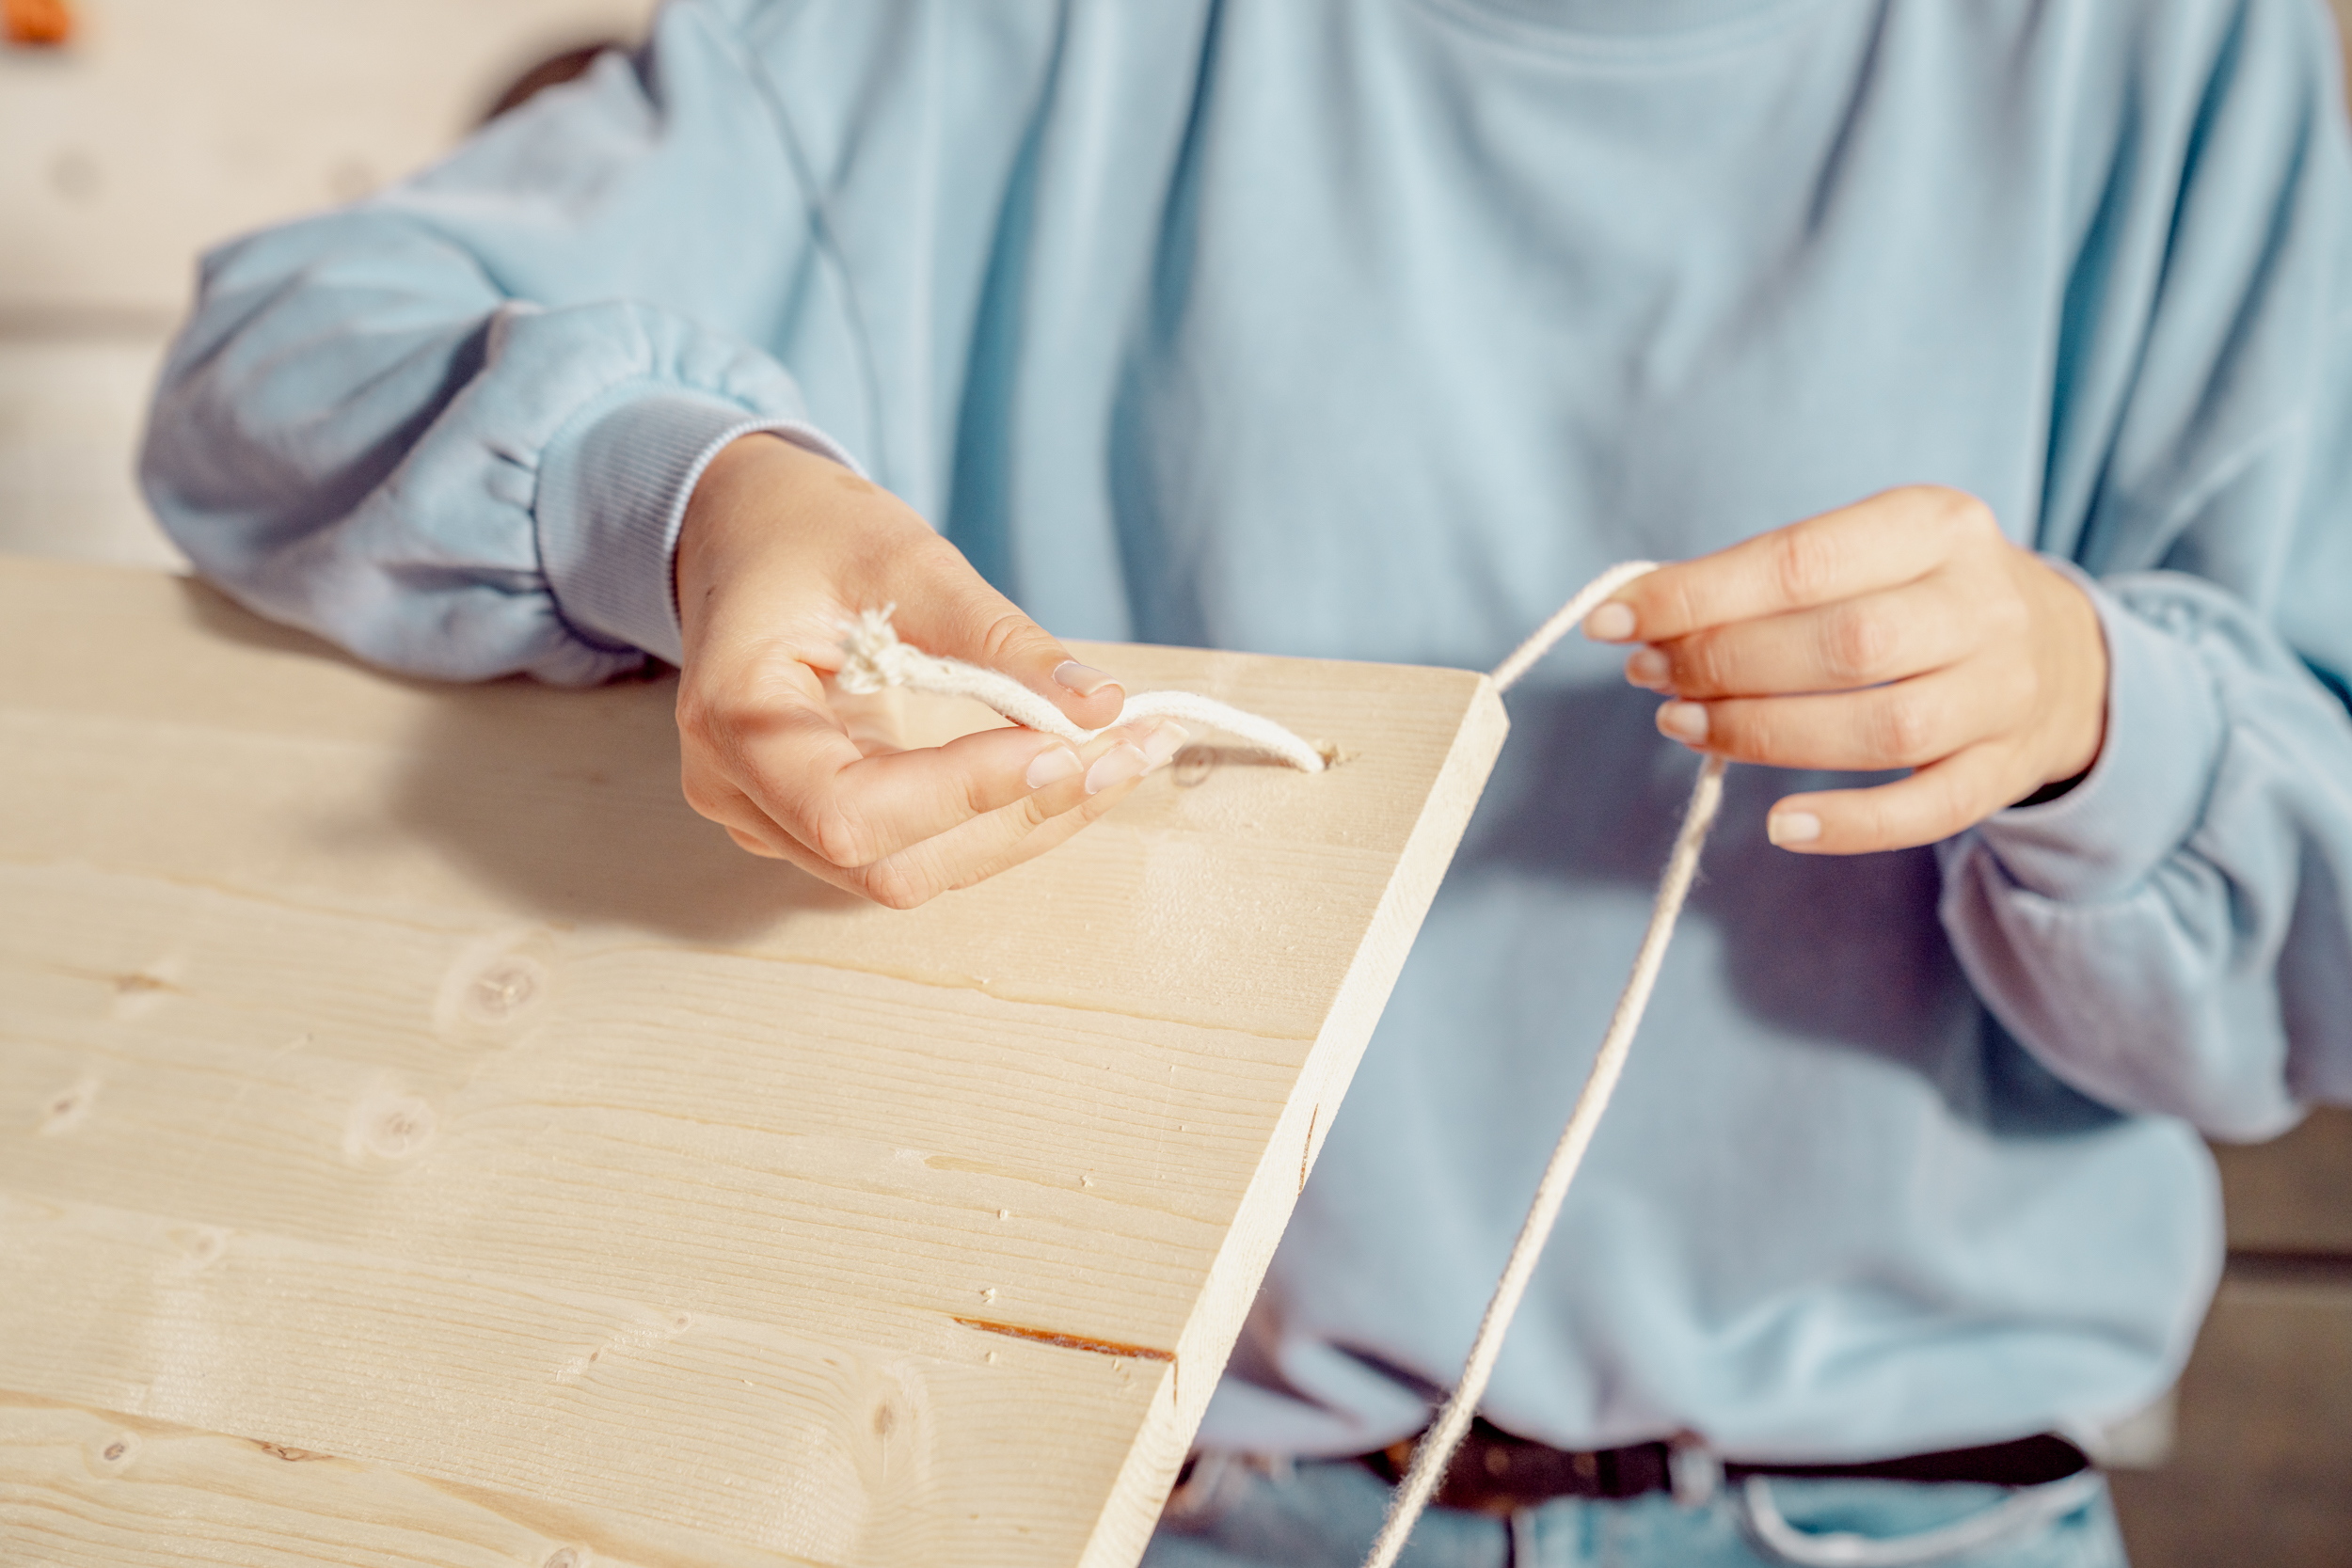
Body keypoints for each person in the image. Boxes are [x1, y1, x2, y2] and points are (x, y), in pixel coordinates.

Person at [140, 1, 2352, 1562]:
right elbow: (275, 361)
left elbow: (2303, 988)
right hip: (1138, 1510)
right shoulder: (967, 46)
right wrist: (697, 497)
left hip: (1914, 1526)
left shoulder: (2165, 53)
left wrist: (2088, 713)